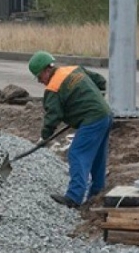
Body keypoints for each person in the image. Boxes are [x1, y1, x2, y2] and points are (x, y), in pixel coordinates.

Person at [28, 50, 113, 209]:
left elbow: (53, 116)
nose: (40, 82)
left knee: (77, 153)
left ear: (47, 70)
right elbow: (100, 81)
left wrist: (44, 137)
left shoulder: (53, 88)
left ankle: (73, 198)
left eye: (39, 77)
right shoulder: (74, 69)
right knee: (97, 157)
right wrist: (96, 99)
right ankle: (96, 193)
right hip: (105, 115)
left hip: (92, 120)